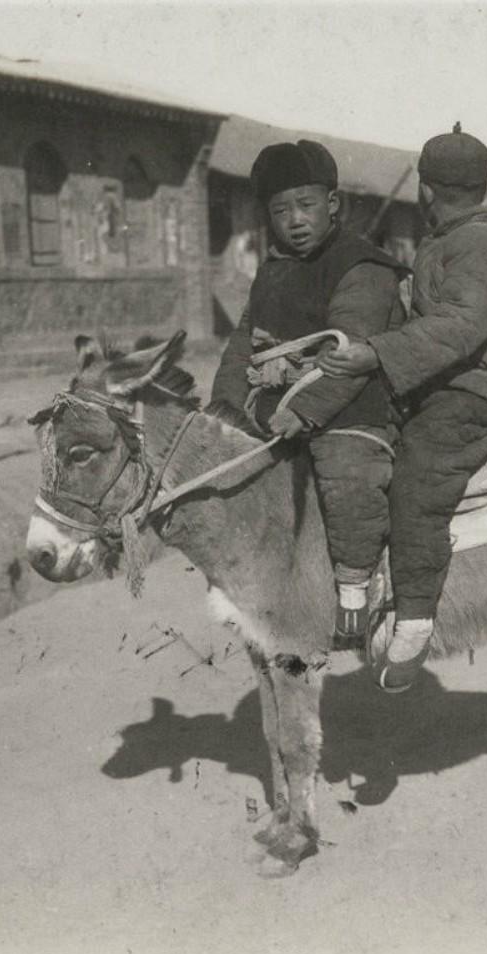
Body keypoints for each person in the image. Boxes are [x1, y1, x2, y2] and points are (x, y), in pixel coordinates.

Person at [319, 123, 487, 690]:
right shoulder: (449, 239)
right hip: (429, 383)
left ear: (426, 189)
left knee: (417, 482)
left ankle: (414, 619)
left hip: (471, 394)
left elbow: (459, 327)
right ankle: (351, 583)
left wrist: (375, 354)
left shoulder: (483, 245)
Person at [208, 139, 409, 648]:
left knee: (345, 468)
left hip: (354, 404)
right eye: (280, 210)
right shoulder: (271, 272)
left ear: (333, 205)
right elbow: (241, 345)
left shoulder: (362, 266)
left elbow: (349, 354)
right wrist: (225, 411)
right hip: (278, 404)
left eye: (306, 205)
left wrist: (304, 412)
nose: (294, 219)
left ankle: (356, 588)